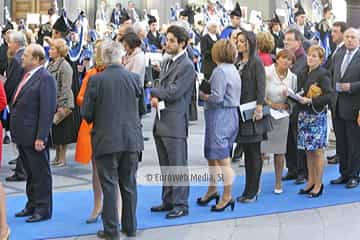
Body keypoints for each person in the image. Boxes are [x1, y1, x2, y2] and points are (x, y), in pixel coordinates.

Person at [82, 40, 144, 239]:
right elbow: (142, 110)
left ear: (104, 59)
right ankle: (130, 226)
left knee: (109, 185)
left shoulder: (96, 80)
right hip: (131, 139)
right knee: (129, 184)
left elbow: (87, 114)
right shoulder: (134, 79)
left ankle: (111, 230)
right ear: (121, 57)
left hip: (106, 140)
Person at [150, 25, 196, 219]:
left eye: (171, 40)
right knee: (166, 165)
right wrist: (157, 93)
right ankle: (168, 200)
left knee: (177, 165)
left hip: (175, 122)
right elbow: (164, 87)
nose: (166, 43)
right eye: (166, 39)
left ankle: (181, 204)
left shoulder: (187, 65)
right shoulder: (168, 61)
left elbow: (174, 92)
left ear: (182, 43)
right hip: (162, 120)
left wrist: (153, 91)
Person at [11, 44, 56, 223]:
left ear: (37, 59)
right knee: (30, 173)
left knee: (40, 174)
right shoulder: (28, 75)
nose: (22, 57)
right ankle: (32, 204)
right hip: (23, 135)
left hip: (34, 136)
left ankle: (43, 208)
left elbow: (47, 109)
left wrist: (41, 137)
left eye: (27, 55)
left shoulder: (45, 78)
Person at [198, 39, 241, 211]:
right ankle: (213, 189)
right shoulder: (233, 70)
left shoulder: (219, 71)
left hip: (220, 115)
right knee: (214, 155)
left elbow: (217, 97)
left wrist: (203, 95)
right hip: (231, 114)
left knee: (222, 158)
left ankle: (227, 195)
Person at [235, 31, 269, 203]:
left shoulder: (256, 62)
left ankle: (253, 190)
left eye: (242, 41)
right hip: (240, 113)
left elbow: (261, 86)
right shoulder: (238, 61)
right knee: (247, 153)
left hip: (253, 113)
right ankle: (248, 189)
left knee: (254, 153)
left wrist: (259, 106)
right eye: (238, 41)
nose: (239, 44)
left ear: (250, 43)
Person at [297, 45, 333, 197]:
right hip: (304, 115)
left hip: (316, 116)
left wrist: (311, 101)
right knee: (308, 150)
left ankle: (319, 184)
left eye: (314, 56)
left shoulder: (323, 74)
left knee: (317, 151)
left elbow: (329, 95)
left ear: (321, 60)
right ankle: (311, 181)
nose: (310, 58)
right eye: (309, 55)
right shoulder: (304, 72)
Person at [75, 40, 105, 224]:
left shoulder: (119, 73)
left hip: (111, 127)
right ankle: (97, 205)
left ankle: (114, 209)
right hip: (93, 126)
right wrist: (91, 101)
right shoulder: (90, 74)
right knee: (96, 169)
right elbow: (79, 97)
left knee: (113, 171)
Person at [261, 49, 297, 194]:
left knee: (280, 151)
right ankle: (256, 182)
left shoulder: (293, 77)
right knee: (262, 150)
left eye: (289, 60)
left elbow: (293, 97)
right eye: (283, 58)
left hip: (283, 116)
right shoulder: (267, 72)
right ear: (277, 59)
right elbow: (260, 94)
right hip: (267, 113)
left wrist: (287, 105)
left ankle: (278, 183)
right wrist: (271, 104)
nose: (285, 61)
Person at [330, 28, 360, 189]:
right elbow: (332, 75)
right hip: (337, 106)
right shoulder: (339, 54)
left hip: (354, 107)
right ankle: (344, 173)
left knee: (354, 143)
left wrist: (351, 86)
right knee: (341, 143)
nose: (349, 39)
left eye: (353, 37)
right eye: (347, 36)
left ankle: (354, 175)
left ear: (358, 40)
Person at [282, 28, 308, 185]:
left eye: (289, 40)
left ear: (298, 42)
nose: (285, 42)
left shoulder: (304, 60)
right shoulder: (285, 58)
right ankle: (292, 169)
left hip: (298, 106)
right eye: (285, 39)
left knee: (298, 139)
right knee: (288, 140)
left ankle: (302, 171)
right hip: (286, 107)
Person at [46, 38, 74, 167]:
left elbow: (66, 87)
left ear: (59, 51)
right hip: (53, 102)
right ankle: (57, 156)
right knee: (56, 132)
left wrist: (62, 104)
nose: (50, 51)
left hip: (63, 103)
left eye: (52, 49)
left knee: (63, 133)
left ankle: (62, 158)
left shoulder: (64, 66)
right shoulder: (51, 64)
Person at [4, 31, 27, 182]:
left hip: (17, 103)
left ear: (17, 44)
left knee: (19, 137)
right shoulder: (22, 57)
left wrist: (5, 99)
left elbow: (11, 83)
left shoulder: (17, 59)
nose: (8, 45)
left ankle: (21, 170)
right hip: (21, 102)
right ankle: (21, 166)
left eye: (10, 42)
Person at [324, 21, 348, 165]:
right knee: (338, 129)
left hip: (341, 97)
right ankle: (340, 153)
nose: (332, 34)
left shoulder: (345, 50)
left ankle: (342, 155)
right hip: (334, 96)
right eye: (332, 31)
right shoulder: (336, 49)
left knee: (343, 131)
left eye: (335, 31)